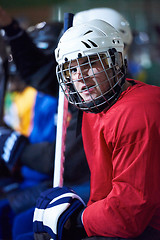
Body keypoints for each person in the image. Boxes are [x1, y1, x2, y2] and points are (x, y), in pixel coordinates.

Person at [33, 19, 160, 240]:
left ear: (116, 60)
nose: (80, 77)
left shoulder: (138, 112)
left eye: (91, 63)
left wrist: (79, 219)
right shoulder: (96, 106)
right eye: (72, 69)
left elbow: (129, 214)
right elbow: (103, 193)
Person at [0, 6, 90, 240]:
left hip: (79, 184)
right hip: (58, 178)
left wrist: (16, 147)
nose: (79, 74)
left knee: (16, 221)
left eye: (89, 61)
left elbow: (64, 160)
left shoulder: (90, 100)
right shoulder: (66, 88)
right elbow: (39, 71)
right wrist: (11, 28)